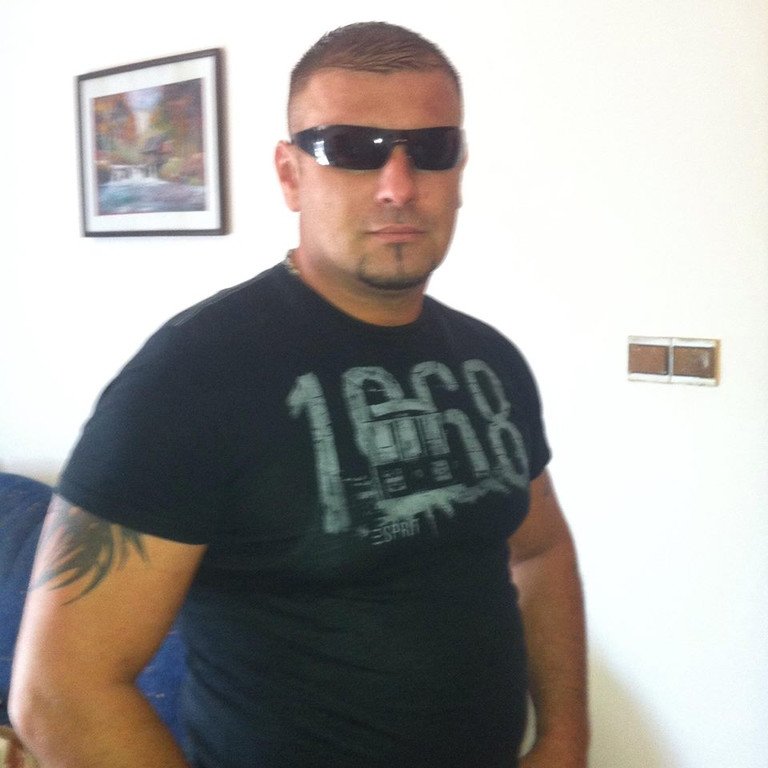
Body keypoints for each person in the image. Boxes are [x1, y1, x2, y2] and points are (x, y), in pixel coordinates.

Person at [9, 21, 588, 768]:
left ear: (460, 167)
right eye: (350, 148)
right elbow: (60, 692)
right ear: (290, 175)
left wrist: (565, 738)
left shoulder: (490, 362)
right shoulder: (191, 378)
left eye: (431, 148)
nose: (398, 185)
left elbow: (539, 549)